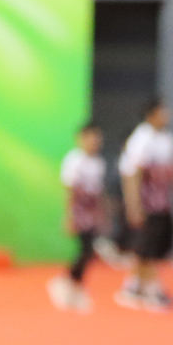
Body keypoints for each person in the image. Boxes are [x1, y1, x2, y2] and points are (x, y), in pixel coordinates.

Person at [115, 98, 173, 311]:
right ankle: (153, 290)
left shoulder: (168, 139)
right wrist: (134, 206)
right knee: (146, 247)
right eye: (162, 112)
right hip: (146, 204)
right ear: (151, 115)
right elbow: (132, 174)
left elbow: (170, 172)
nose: (167, 116)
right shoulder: (141, 139)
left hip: (161, 204)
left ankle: (135, 286)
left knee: (154, 247)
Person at [50, 122, 106, 311]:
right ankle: (66, 282)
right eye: (91, 137)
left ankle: (74, 287)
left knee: (88, 252)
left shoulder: (98, 162)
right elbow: (70, 191)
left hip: (92, 212)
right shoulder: (74, 161)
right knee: (86, 249)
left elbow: (98, 192)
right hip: (79, 211)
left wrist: (101, 214)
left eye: (98, 137)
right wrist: (70, 216)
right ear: (82, 138)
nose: (95, 141)